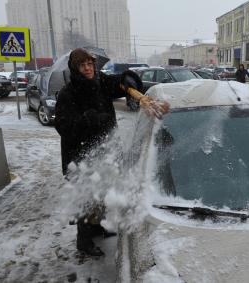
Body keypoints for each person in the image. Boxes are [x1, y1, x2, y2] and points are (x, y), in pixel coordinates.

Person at [55, 48, 168, 256]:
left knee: (103, 192)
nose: (88, 68)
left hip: (107, 151)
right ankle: (84, 241)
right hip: (81, 155)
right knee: (88, 197)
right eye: (83, 65)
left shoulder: (100, 82)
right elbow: (62, 126)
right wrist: (87, 118)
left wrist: (129, 80)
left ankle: (97, 227)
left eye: (90, 64)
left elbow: (119, 82)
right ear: (75, 68)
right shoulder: (68, 93)